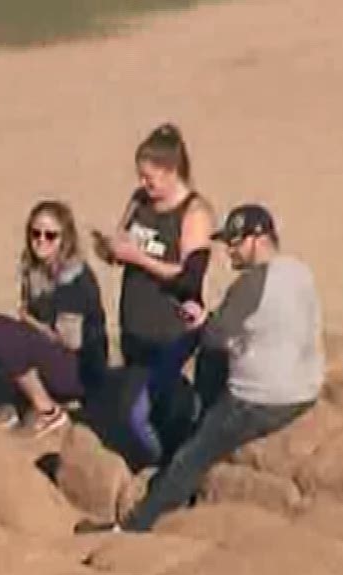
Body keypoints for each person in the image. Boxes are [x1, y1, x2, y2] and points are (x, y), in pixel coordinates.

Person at [77, 205, 321, 535]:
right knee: (214, 360)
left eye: (235, 243)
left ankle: (135, 525)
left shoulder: (251, 285)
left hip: (263, 400)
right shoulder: (298, 270)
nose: (229, 252)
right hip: (307, 387)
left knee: (192, 454)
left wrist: (202, 320)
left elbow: (215, 335)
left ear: (257, 239)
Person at [94, 123, 215, 464]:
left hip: (171, 330)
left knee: (141, 410)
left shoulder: (194, 213)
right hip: (135, 327)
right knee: (142, 408)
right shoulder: (139, 201)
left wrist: (139, 259)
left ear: (171, 171)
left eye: (150, 177)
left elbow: (188, 278)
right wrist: (112, 251)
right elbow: (124, 241)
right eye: (141, 176)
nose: (144, 184)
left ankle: (167, 467)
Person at [0, 200, 109, 437]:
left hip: (80, 369)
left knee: (1, 334)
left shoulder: (74, 280)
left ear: (64, 239)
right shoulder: (34, 270)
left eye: (50, 235)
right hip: (51, 355)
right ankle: (19, 401)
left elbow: (70, 341)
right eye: (35, 233)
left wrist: (30, 324)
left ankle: (48, 411)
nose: (41, 240)